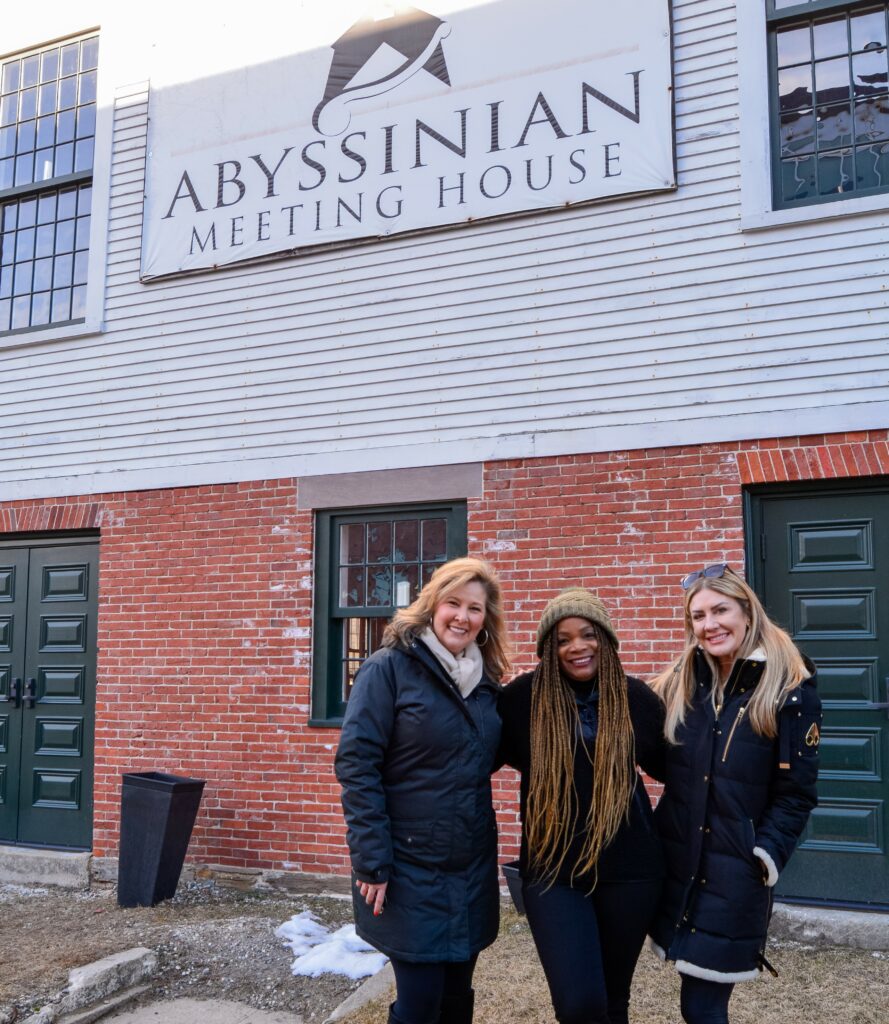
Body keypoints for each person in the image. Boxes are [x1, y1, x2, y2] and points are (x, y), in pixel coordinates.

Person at [334, 557, 510, 1024]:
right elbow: (357, 765)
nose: (463, 617)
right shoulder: (388, 670)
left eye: (475, 608)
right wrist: (372, 860)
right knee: (420, 1002)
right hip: (407, 864)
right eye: (453, 603)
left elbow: (485, 759)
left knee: (457, 998)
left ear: (485, 620)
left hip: (469, 864)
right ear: (431, 605)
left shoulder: (486, 685)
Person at [648, 563, 822, 1024]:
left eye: (720, 610)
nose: (710, 625)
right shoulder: (681, 684)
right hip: (677, 863)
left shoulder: (789, 690)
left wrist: (763, 856)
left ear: (746, 611)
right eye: (698, 616)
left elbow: (797, 794)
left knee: (703, 1007)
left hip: (734, 873)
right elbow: (660, 761)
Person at [498, 589, 666, 1024]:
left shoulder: (635, 699)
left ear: (605, 639)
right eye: (562, 639)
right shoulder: (521, 700)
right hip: (554, 871)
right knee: (580, 1005)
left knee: (613, 1002)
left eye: (588, 634)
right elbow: (469, 756)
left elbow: (679, 772)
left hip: (631, 870)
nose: (577, 647)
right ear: (548, 649)